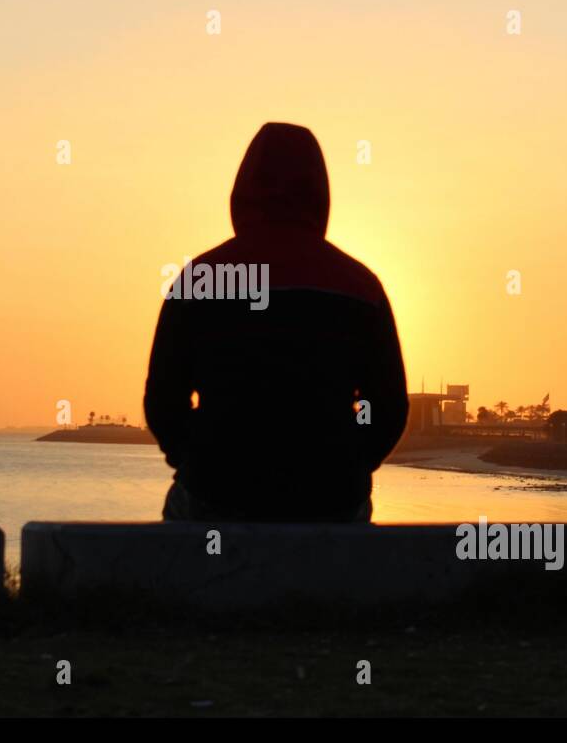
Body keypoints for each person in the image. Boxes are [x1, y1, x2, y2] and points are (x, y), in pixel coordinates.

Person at [144, 122, 408, 522]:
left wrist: (198, 459)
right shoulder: (361, 287)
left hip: (216, 492)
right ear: (319, 193)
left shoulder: (200, 279)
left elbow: (163, 400)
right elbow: (389, 407)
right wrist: (349, 465)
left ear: (243, 190)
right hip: (331, 499)